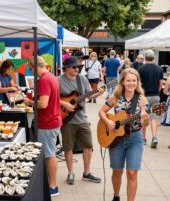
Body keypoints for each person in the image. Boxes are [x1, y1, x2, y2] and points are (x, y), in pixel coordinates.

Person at [99, 68, 149, 201]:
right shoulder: (115, 97)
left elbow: (146, 121)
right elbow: (101, 112)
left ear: (137, 82)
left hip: (135, 139)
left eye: (134, 80)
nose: (131, 83)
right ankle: (116, 195)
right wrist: (107, 121)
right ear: (122, 81)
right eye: (128, 80)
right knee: (117, 171)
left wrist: (145, 117)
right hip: (117, 139)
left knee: (132, 173)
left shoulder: (142, 100)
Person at [58, 56, 105, 185]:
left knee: (88, 146)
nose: (77, 69)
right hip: (67, 120)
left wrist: (98, 93)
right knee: (68, 148)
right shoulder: (58, 81)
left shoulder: (82, 79)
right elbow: (52, 98)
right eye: (74, 67)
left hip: (82, 119)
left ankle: (87, 173)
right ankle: (71, 173)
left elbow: (90, 94)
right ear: (66, 68)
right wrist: (64, 104)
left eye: (79, 67)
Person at [23, 56, 62, 197]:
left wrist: (30, 102)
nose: (30, 71)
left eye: (30, 68)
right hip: (53, 120)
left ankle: (53, 186)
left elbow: (43, 104)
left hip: (48, 122)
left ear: (35, 67)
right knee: (49, 154)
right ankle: (51, 184)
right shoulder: (51, 77)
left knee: (49, 155)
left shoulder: (44, 80)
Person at [138, 50, 164, 148]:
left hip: (144, 96)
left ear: (145, 57)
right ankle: (154, 137)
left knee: (144, 117)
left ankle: (144, 139)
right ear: (154, 57)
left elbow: (138, 83)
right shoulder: (159, 69)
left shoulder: (141, 69)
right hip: (155, 96)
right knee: (153, 117)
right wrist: (157, 91)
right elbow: (161, 83)